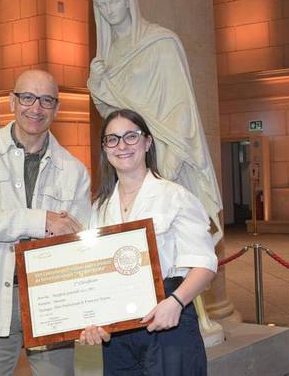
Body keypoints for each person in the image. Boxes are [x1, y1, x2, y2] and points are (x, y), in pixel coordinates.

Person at [0, 69, 90, 376]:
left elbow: (79, 244)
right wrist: (42, 221)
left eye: (46, 100)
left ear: (57, 108)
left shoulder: (74, 170)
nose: (35, 108)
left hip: (52, 304)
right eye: (27, 97)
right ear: (12, 101)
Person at [80, 109, 217, 376]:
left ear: (147, 142)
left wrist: (176, 302)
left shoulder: (175, 197)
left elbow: (205, 265)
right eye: (113, 139)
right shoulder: (98, 208)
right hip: (117, 333)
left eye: (131, 136)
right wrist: (91, 321)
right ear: (104, 148)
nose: (122, 146)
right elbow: (94, 276)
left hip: (168, 320)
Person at [87, 0, 223, 244]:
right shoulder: (108, 54)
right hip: (131, 151)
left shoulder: (161, 42)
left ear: (129, 3)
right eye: (102, 6)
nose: (109, 10)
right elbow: (110, 113)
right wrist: (97, 82)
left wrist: (172, 157)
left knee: (172, 229)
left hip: (165, 145)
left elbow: (182, 104)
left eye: (113, 2)